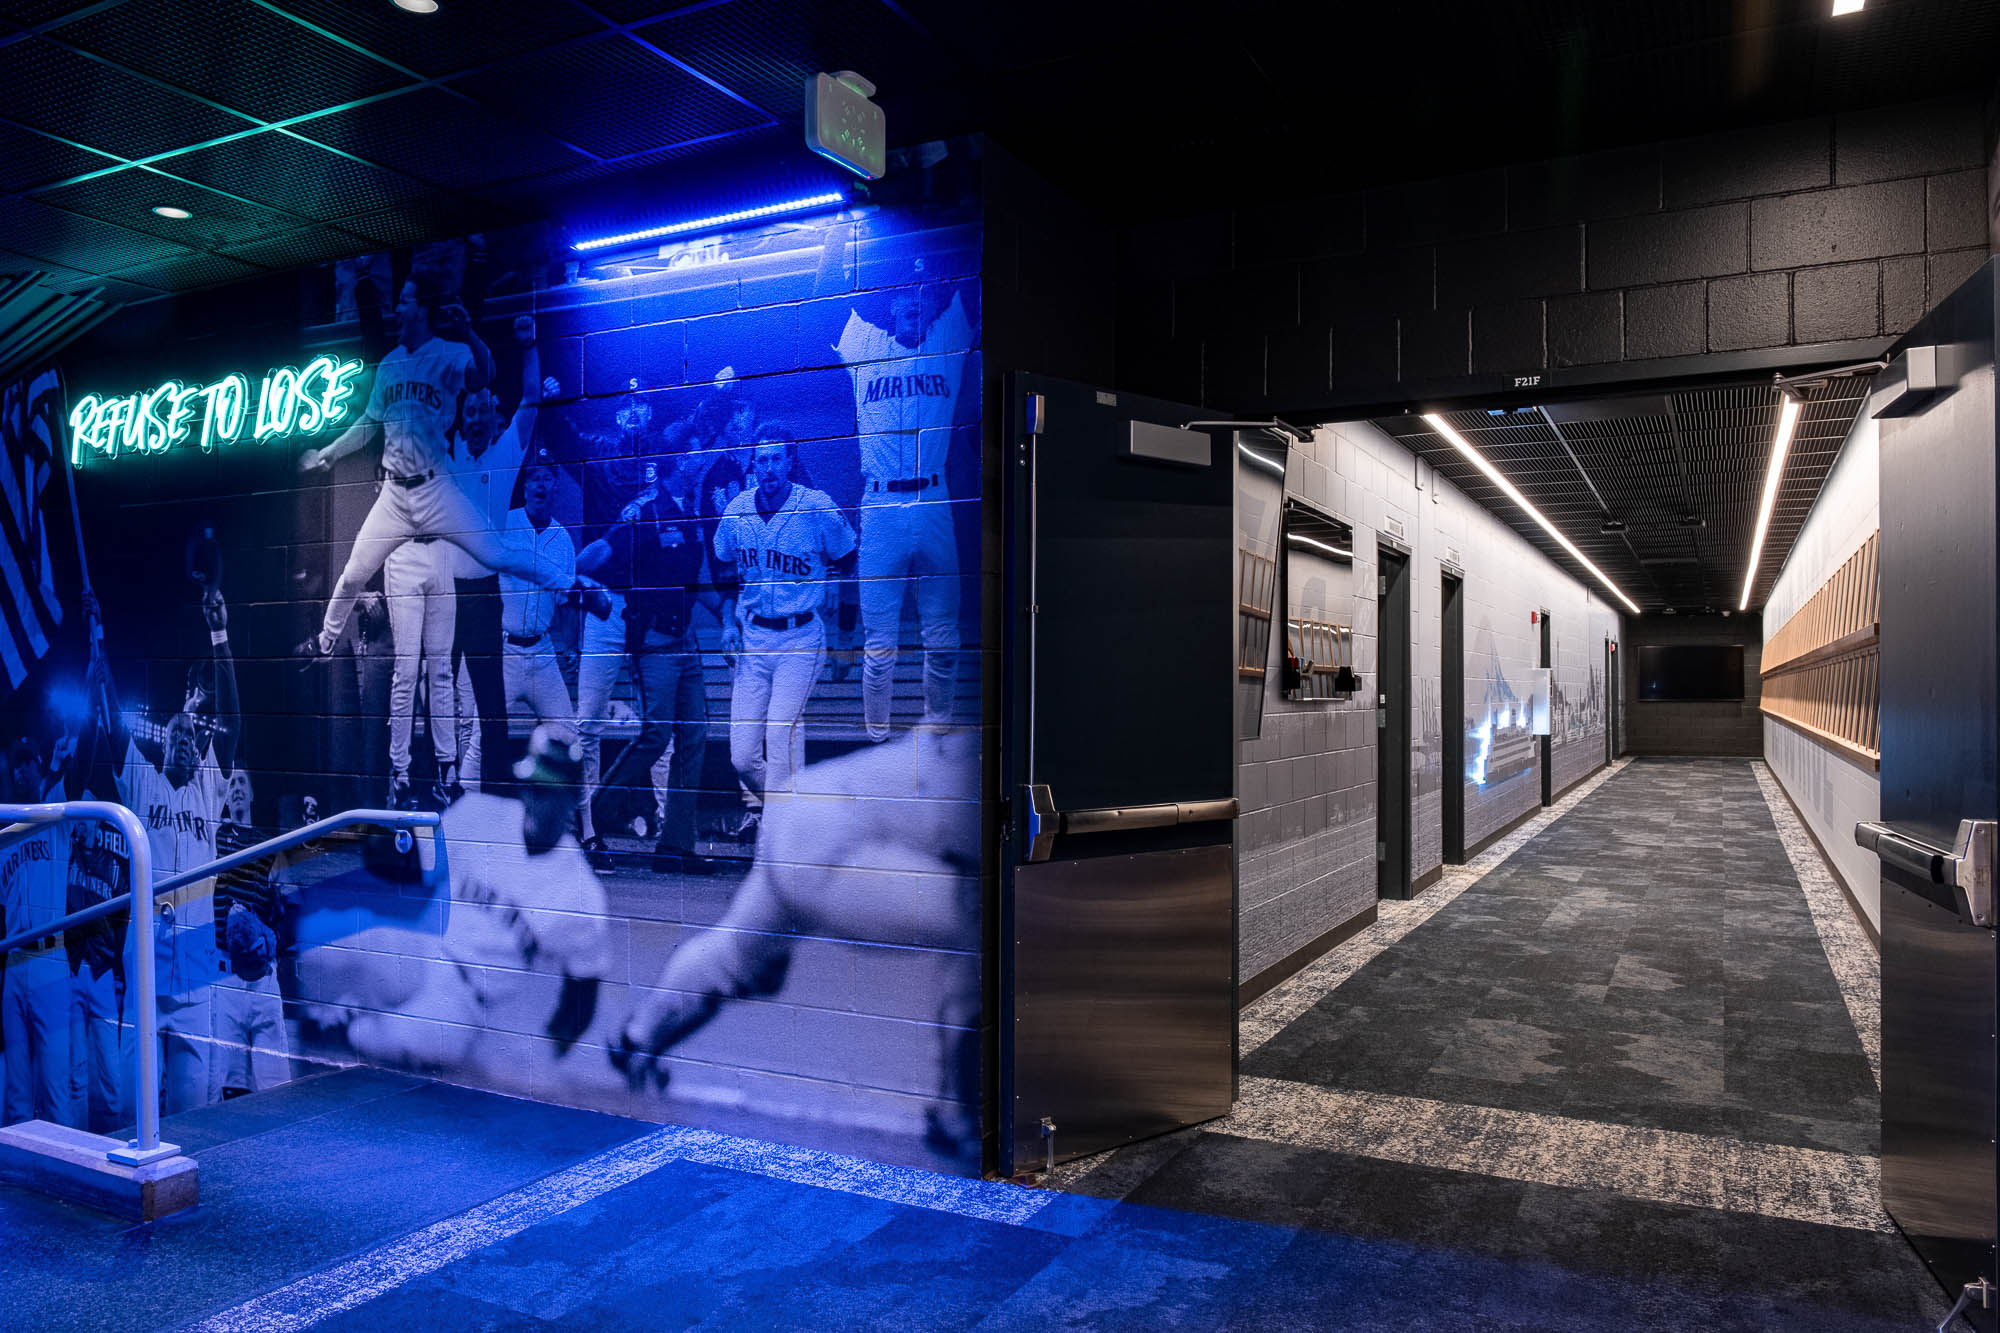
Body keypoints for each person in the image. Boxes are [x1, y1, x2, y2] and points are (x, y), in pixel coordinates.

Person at [611, 729, 979, 1140]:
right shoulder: (996, 774)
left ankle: (635, 1039)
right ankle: (956, 1112)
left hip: (797, 808)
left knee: (733, 951)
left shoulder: (969, 742)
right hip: (836, 846)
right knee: (985, 923)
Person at [294, 276, 578, 680]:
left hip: (433, 487)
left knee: (496, 553)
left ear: (421, 310)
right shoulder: (391, 364)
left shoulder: (448, 354)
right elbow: (368, 422)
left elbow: (485, 372)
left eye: (406, 299)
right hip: (394, 493)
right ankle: (324, 643)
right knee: (354, 572)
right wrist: (329, 453)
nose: (399, 307)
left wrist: (470, 334)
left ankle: (570, 586)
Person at [297, 725, 611, 1077]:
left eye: (551, 791)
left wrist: (544, 1061)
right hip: (415, 945)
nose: (539, 799)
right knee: (318, 944)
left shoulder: (581, 894)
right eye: (533, 787)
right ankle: (284, 1002)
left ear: (573, 797)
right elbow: (408, 861)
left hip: (462, 997)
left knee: (402, 1041)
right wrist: (384, 844)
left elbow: (580, 999)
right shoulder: (480, 815)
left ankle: (345, 1025)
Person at [826, 234, 976, 740]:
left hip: (934, 501)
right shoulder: (867, 345)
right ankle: (878, 739)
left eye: (922, 301)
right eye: (903, 302)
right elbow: (826, 300)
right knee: (880, 644)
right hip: (882, 505)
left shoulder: (946, 339)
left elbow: (972, 284)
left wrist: (934, 255)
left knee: (944, 639)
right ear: (890, 309)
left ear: (931, 306)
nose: (913, 306)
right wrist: (836, 238)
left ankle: (938, 732)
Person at [111, 584, 240, 1115]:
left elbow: (231, 722)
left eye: (191, 733)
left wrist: (220, 636)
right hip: (144, 957)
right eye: (176, 733)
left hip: (192, 963)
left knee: (191, 1111)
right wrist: (99, 655)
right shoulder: (143, 784)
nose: (186, 738)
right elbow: (105, 718)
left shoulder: (207, 788)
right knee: (130, 1109)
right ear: (162, 743)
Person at [712, 429, 856, 839]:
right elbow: (723, 567)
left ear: (790, 462)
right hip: (754, 640)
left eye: (776, 459)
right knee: (741, 756)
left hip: (801, 637)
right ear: (753, 465)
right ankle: (790, 810)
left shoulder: (816, 505)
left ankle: (777, 834)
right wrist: (727, 623)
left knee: (780, 736)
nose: (769, 467)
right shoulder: (737, 509)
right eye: (762, 460)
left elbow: (849, 560)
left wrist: (845, 636)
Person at [577, 446, 715, 873]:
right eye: (693, 459)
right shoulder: (646, 513)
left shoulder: (690, 517)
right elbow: (600, 551)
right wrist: (567, 578)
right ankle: (597, 810)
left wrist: (731, 614)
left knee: (694, 735)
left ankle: (676, 847)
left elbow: (697, 583)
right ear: (677, 466)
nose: (699, 465)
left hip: (685, 640)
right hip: (653, 638)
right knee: (656, 734)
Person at [446, 317, 552, 795]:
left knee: (491, 707)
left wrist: (528, 346)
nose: (478, 416)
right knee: (435, 693)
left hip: (482, 596)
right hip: (439, 595)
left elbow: (530, 398)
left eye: (487, 409)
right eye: (471, 409)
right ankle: (433, 794)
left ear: (495, 418)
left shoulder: (505, 454)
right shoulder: (447, 455)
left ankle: (495, 799)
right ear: (462, 416)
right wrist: (468, 337)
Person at [2, 735, 78, 1127]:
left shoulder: (55, 816)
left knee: (54, 1089)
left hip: (51, 957)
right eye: (16, 764)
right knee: (15, 1093)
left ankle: (60, 1175)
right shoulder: (4, 836)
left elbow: (72, 773)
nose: (19, 771)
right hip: (13, 962)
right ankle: (14, 1182)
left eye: (27, 763)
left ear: (39, 766)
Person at [209, 770, 296, 1100]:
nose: (237, 789)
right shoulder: (214, 839)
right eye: (231, 783)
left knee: (274, 1084)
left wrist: (270, 938)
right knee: (229, 1087)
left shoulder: (272, 845)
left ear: (254, 792)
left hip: (261, 975)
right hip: (225, 974)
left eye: (243, 782)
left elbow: (288, 913)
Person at [496, 455, 578, 735]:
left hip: (542, 653)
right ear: (525, 487)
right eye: (534, 478)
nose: (540, 484)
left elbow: (566, 600)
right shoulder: (504, 525)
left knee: (567, 733)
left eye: (547, 477)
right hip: (504, 651)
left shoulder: (562, 538)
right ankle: (460, 781)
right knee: (482, 735)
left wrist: (570, 645)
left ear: (555, 485)